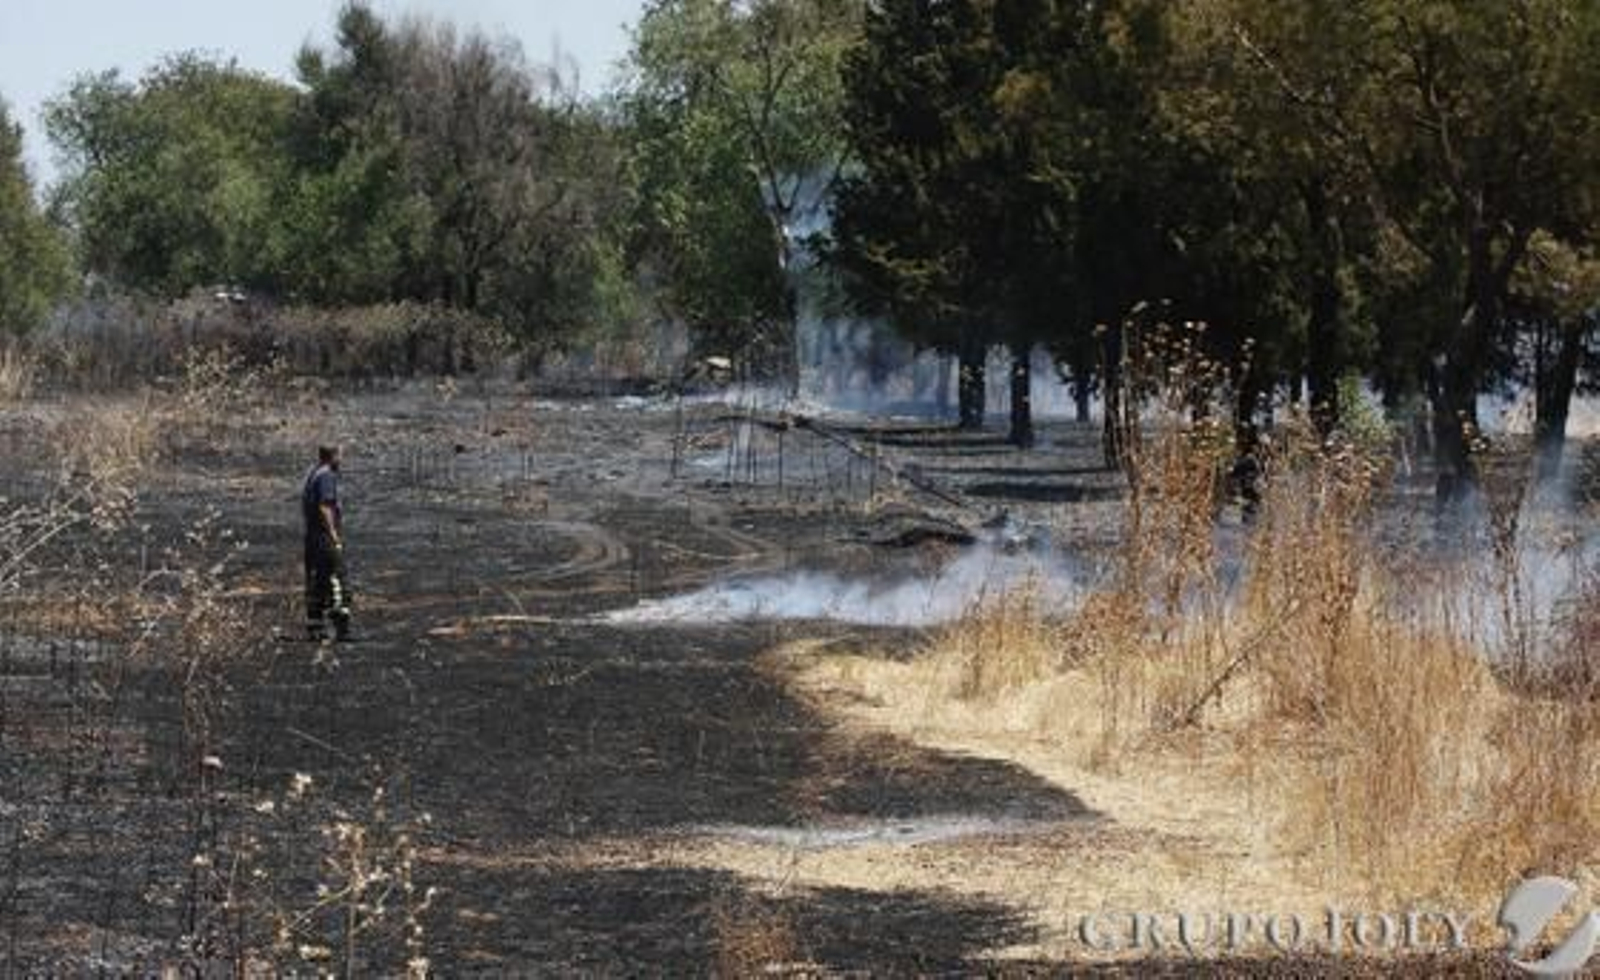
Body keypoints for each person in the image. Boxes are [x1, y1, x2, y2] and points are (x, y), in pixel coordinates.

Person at [302, 445, 352, 641]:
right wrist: (333, 534)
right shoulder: (326, 476)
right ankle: (342, 628)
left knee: (317, 580)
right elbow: (325, 506)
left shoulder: (313, 473)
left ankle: (315, 627)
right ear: (334, 456)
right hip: (323, 537)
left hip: (312, 536)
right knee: (337, 578)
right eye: (340, 455)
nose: (341, 460)